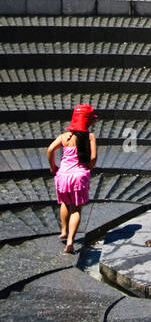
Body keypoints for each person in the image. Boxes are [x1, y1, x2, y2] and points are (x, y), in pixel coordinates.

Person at [47, 103, 97, 254]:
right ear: (87, 120)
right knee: (76, 209)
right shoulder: (89, 136)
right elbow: (93, 157)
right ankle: (70, 241)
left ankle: (63, 230)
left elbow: (50, 149)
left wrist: (53, 166)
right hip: (78, 176)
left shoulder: (64, 136)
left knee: (64, 202)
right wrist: (89, 167)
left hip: (63, 175)